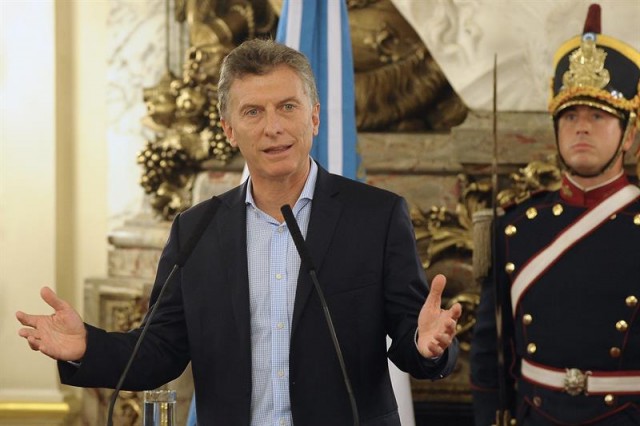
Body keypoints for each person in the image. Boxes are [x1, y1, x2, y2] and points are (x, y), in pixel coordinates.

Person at [16, 38, 462, 426]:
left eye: (288, 107)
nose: (273, 127)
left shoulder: (377, 217)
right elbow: (157, 352)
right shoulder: (195, 231)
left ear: (315, 118)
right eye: (253, 112)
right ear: (229, 129)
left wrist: (427, 346)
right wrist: (85, 347)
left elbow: (413, 339)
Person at [470, 4, 640, 425]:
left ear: (629, 135)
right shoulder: (514, 226)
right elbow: (491, 354)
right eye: (569, 116)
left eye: (598, 116)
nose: (581, 127)